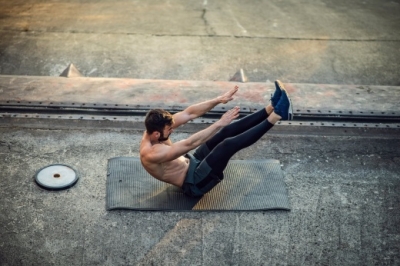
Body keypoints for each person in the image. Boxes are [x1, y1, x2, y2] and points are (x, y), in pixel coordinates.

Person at [140, 80, 293, 197]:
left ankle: (271, 107)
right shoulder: (151, 153)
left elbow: (189, 113)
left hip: (193, 161)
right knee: (226, 145)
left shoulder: (156, 126)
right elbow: (190, 143)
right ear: (157, 135)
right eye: (170, 129)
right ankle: (278, 114)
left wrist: (218, 100)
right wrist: (218, 122)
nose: (172, 130)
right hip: (194, 181)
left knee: (225, 132)